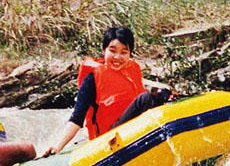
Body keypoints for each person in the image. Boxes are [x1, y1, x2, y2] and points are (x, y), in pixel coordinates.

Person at [42, 26, 170, 156]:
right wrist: (58, 147)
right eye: (112, 51)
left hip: (134, 131)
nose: (117, 57)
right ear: (104, 50)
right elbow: (77, 118)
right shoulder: (92, 80)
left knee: (162, 95)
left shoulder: (133, 70)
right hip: (109, 140)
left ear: (130, 54)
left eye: (123, 53)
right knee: (146, 99)